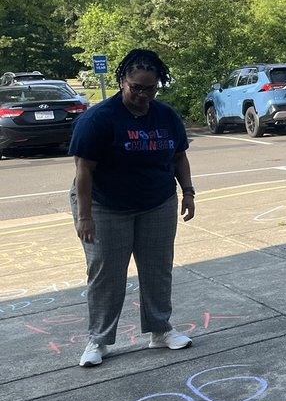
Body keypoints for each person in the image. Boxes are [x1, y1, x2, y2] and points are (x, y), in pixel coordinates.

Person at [69, 49, 196, 366]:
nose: (142, 94)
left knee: (157, 267)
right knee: (106, 273)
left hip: (157, 201)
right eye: (135, 87)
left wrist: (189, 193)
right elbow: (83, 171)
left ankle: (160, 330)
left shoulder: (166, 116)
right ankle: (98, 341)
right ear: (122, 81)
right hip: (105, 205)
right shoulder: (98, 119)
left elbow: (179, 156)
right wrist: (85, 217)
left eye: (149, 88)